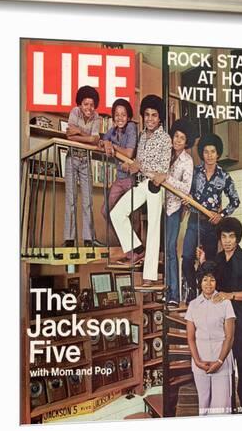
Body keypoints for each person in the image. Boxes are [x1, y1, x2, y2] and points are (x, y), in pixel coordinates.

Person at [198, 217, 242, 413]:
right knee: (224, 367)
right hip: (221, 322)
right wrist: (201, 263)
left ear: (237, 238)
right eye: (223, 236)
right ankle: (229, 409)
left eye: (231, 237)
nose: (227, 241)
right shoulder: (216, 259)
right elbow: (207, 281)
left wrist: (230, 295)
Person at [111, 94, 172, 289]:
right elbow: (139, 162)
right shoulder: (142, 135)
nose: (150, 118)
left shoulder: (165, 138)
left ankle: (150, 276)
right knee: (117, 213)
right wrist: (133, 166)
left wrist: (145, 169)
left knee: (153, 230)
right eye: (147, 115)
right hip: (141, 183)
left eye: (154, 115)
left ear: (160, 117)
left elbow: (164, 169)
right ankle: (137, 249)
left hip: (156, 185)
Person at [182, 133, 240, 302]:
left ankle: (207, 297)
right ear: (202, 153)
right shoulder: (195, 173)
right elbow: (186, 192)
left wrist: (220, 215)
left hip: (212, 225)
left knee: (209, 263)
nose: (209, 155)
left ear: (218, 154)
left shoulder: (224, 176)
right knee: (186, 258)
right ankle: (192, 292)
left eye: (212, 152)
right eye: (206, 152)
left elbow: (235, 201)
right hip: (194, 220)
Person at [150, 118, 196, 308]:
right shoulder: (165, 154)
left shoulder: (188, 160)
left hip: (173, 208)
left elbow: (185, 188)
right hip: (157, 204)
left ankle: (174, 295)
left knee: (170, 249)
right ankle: (167, 290)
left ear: (187, 142)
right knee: (161, 249)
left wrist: (166, 178)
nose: (177, 140)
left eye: (182, 138)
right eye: (176, 136)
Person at [185, 262, 235, 415]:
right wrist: (197, 361)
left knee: (221, 408)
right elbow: (191, 338)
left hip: (222, 361)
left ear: (217, 281)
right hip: (200, 362)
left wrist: (219, 361)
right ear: (200, 281)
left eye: (212, 279)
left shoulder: (226, 303)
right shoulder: (193, 305)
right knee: (204, 405)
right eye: (205, 279)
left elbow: (230, 337)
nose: (208, 283)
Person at [63, 85, 106, 248]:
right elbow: (69, 136)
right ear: (81, 104)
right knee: (71, 199)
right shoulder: (75, 112)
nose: (89, 107)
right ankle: (69, 239)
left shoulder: (97, 117)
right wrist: (87, 137)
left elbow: (95, 140)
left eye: (92, 104)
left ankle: (89, 239)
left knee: (87, 200)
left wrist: (79, 133)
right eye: (86, 104)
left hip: (85, 160)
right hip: (71, 159)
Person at [99, 99, 138, 224]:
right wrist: (105, 142)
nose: (120, 118)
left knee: (133, 213)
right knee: (105, 211)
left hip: (130, 178)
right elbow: (103, 140)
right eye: (117, 114)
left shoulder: (131, 127)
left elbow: (128, 153)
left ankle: (135, 243)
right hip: (119, 178)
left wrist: (113, 146)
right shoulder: (113, 130)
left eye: (123, 114)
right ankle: (123, 238)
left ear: (129, 117)